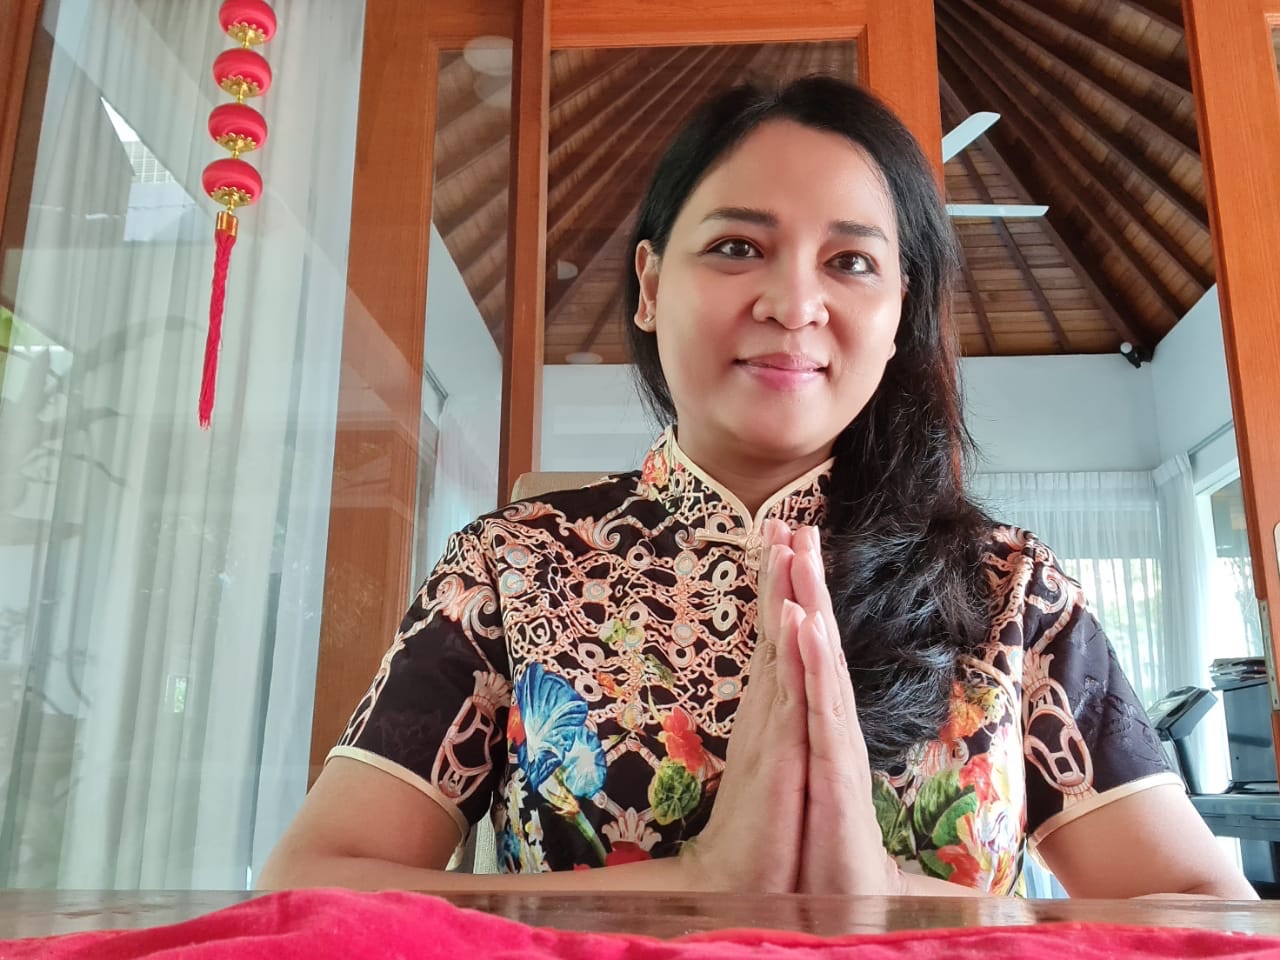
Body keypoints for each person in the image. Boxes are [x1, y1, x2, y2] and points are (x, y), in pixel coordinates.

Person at [261, 76, 1255, 898]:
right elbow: (311, 885)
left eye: (850, 261)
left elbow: (1205, 918)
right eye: (737, 247)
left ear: (899, 312)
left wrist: (893, 897)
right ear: (651, 285)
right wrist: (698, 881)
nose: (793, 302)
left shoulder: (1009, 593)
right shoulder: (513, 568)